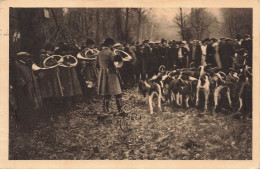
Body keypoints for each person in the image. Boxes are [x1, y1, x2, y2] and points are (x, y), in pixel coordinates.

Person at [96, 38, 131, 116]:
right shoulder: (111, 53)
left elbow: (97, 65)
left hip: (103, 74)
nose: (113, 46)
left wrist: (103, 70)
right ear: (109, 45)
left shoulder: (99, 53)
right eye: (112, 45)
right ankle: (121, 111)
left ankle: (105, 111)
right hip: (111, 74)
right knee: (117, 93)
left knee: (106, 93)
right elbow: (116, 64)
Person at [13, 52, 44, 130]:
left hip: (30, 87)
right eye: (26, 57)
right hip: (23, 89)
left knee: (33, 104)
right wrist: (22, 83)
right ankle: (27, 126)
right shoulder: (16, 65)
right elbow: (16, 77)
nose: (28, 59)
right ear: (21, 58)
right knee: (26, 106)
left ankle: (33, 124)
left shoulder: (26, 64)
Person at [76, 38, 98, 102]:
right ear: (88, 45)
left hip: (92, 68)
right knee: (88, 83)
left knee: (93, 83)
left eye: (93, 45)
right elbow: (83, 59)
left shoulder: (93, 50)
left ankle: (91, 98)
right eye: (91, 45)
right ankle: (87, 99)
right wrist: (92, 58)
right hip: (87, 69)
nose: (93, 46)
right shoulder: (84, 51)